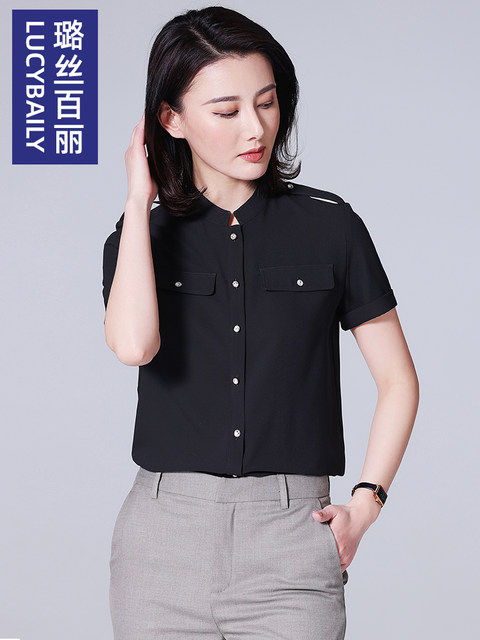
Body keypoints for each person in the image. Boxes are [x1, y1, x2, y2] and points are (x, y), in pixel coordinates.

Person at [102, 6, 419, 640]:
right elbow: (134, 345)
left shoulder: (331, 226)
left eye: (267, 103)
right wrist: (139, 201)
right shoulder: (138, 239)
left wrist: (366, 504)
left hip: (292, 538)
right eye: (226, 111)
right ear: (171, 120)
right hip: (162, 544)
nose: (256, 128)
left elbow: (398, 381)